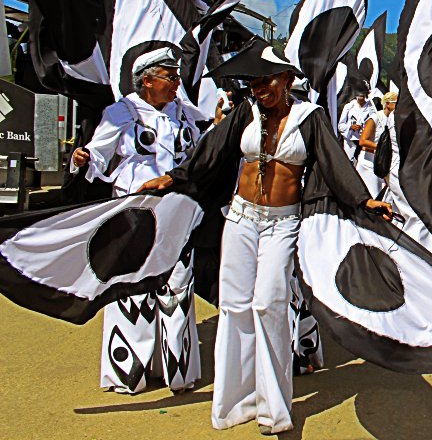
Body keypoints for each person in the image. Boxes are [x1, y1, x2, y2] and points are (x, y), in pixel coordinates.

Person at [138, 42, 391, 435]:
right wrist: (174, 178)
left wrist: (364, 199)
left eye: (265, 81)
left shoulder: (310, 117)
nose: (258, 89)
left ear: (287, 79)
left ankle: (273, 408)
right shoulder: (246, 112)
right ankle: (235, 404)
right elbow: (212, 152)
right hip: (240, 218)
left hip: (282, 223)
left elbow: (333, 161)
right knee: (235, 305)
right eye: (253, 83)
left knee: (269, 302)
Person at [71, 47, 202, 394]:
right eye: (170, 77)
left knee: (177, 285)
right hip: (134, 212)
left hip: (177, 211)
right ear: (147, 80)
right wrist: (83, 157)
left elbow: (199, 154)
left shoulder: (185, 113)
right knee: (131, 288)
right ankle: (131, 372)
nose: (177, 83)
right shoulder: (122, 112)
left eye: (177, 77)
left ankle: (178, 370)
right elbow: (98, 153)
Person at [381, 92, 432, 254]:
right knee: (417, 217)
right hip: (407, 173)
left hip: (399, 171)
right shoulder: (405, 116)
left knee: (403, 215)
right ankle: (419, 260)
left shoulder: (397, 115)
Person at [356, 91, 393, 197]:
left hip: (382, 161)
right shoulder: (375, 117)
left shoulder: (392, 119)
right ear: (387, 104)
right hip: (369, 162)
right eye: (395, 102)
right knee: (373, 195)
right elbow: (362, 141)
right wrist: (381, 148)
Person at [338, 85, 376, 162]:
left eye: (362, 92)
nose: (360, 95)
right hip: (350, 141)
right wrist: (350, 127)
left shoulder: (371, 108)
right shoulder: (349, 106)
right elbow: (340, 126)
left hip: (364, 141)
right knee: (349, 163)